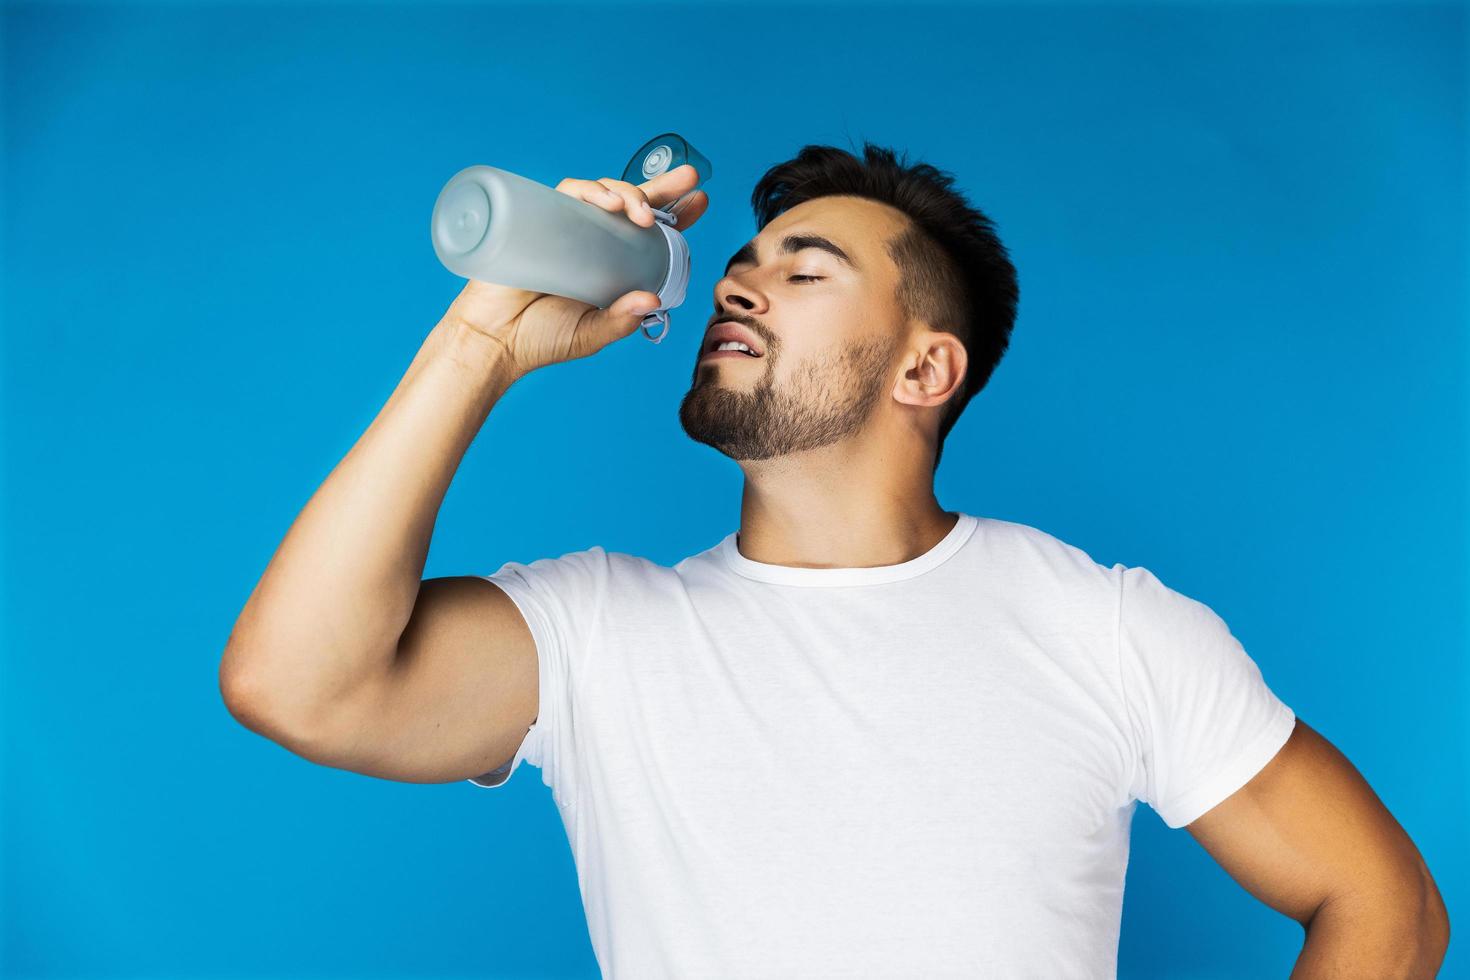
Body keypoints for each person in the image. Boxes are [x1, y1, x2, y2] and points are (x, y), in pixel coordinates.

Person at [219, 144, 1449, 979]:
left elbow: (1386, 904)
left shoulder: (1104, 626)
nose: (741, 289)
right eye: (742, 271)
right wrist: (480, 337)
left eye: (804, 272)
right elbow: (296, 683)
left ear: (926, 368)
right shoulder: (597, 633)